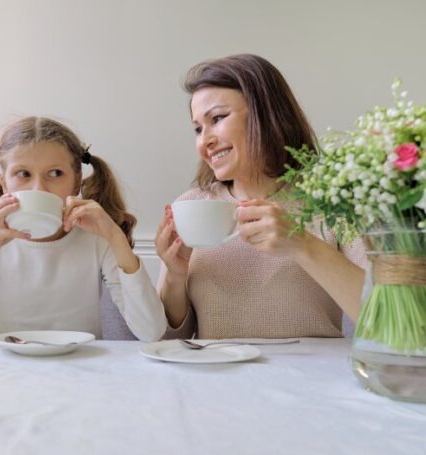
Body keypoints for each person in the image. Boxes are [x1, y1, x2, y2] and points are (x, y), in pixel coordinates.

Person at [0, 117, 167, 342]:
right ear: (3, 182)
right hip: (6, 374)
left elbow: (151, 332)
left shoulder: (97, 242)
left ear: (76, 181)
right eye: (23, 174)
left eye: (55, 174)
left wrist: (115, 237)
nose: (39, 189)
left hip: (81, 376)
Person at [155, 54, 366, 339]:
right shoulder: (190, 207)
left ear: (266, 114)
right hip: (216, 379)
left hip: (312, 380)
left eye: (217, 118)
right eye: (197, 129)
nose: (204, 140)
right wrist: (174, 274)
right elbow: (169, 342)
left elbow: (386, 319)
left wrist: (300, 242)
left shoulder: (331, 203)